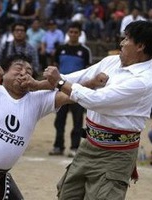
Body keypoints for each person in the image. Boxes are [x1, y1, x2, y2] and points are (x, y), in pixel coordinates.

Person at [0, 54, 106, 200]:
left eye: (28, 71)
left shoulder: (38, 100)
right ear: (3, 73)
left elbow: (70, 96)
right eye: (18, 68)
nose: (23, 73)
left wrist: (92, 83)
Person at [43, 20, 152, 200]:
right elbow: (77, 77)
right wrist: (37, 85)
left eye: (127, 39)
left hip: (116, 155)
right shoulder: (112, 61)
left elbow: (95, 100)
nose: (121, 42)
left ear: (140, 46)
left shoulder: (143, 81)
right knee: (67, 194)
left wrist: (59, 82)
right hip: (89, 144)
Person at [49, 21, 92, 157]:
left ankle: (74, 147)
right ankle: (58, 146)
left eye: (76, 32)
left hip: (77, 90)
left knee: (78, 120)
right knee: (59, 120)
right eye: (71, 32)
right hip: (61, 89)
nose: (73, 34)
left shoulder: (85, 51)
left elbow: (88, 71)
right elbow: (55, 68)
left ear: (80, 34)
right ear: (68, 33)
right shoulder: (60, 49)